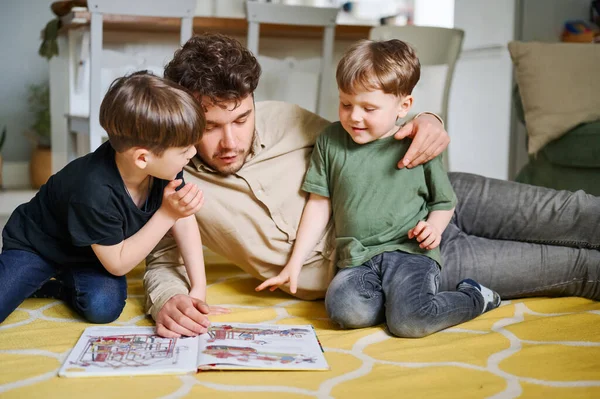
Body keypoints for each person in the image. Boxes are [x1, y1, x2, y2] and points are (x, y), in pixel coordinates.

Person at [146, 33, 600, 338]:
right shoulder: (176, 182)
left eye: (242, 118)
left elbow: (369, 127)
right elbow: (161, 257)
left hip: (441, 193)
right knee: (579, 270)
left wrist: (427, 119)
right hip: (405, 261)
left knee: (580, 214)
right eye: (210, 126)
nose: (230, 140)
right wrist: (168, 299)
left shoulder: (287, 118)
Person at [255, 39, 501, 338]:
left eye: (368, 108)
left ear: (404, 106)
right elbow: (319, 204)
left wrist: (434, 229)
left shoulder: (416, 143)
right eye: (346, 104)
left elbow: (445, 201)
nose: (354, 116)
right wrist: (294, 264)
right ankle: (400, 299)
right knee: (345, 311)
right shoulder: (331, 140)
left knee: (409, 323)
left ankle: (475, 297)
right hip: (357, 258)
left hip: (409, 253)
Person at [0, 71, 210, 325]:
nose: (194, 153)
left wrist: (198, 287)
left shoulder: (164, 168)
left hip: (91, 255)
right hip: (38, 246)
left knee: (103, 308)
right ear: (142, 158)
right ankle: (36, 276)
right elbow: (119, 265)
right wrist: (167, 214)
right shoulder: (93, 190)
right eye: (185, 149)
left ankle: (58, 283)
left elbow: (184, 220)